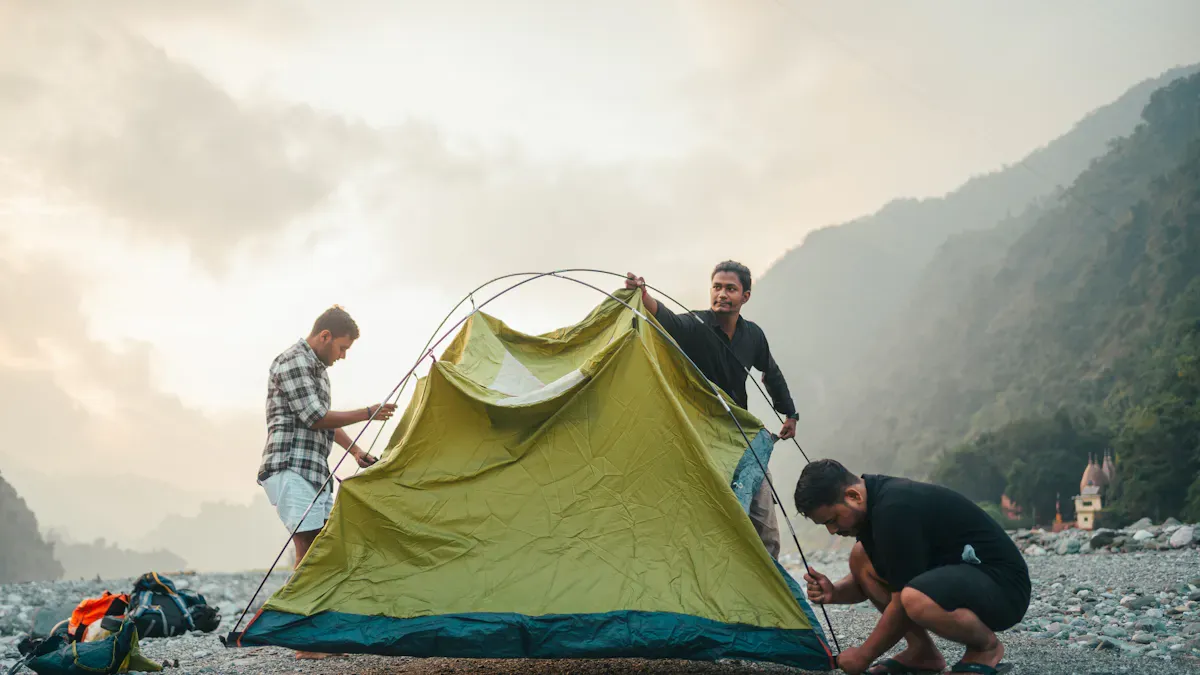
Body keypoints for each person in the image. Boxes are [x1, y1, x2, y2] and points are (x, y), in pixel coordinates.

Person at [624, 261, 798, 558]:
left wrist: (790, 413)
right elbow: (664, 318)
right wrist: (642, 292)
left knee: (764, 520)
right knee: (716, 514)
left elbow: (770, 372)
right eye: (717, 287)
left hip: (741, 433)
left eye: (730, 289)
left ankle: (772, 583)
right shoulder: (696, 325)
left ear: (745, 296)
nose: (722, 294)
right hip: (702, 435)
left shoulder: (752, 335)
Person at [794, 459, 1030, 675]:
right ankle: (922, 652)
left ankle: (984, 648)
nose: (832, 531)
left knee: (914, 598)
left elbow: (902, 597)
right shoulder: (873, 506)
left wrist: (863, 656)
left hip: (1004, 588)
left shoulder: (894, 509)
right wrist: (834, 592)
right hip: (965, 580)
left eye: (832, 520)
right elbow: (874, 578)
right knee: (861, 557)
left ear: (853, 495)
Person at [257, 305, 398, 567]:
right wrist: (368, 412)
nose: (343, 356)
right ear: (325, 336)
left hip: (314, 472)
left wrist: (355, 451)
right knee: (309, 548)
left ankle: (305, 606)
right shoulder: (293, 361)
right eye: (342, 348)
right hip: (291, 468)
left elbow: (324, 421)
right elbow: (315, 417)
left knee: (323, 547)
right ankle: (293, 608)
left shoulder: (319, 371)